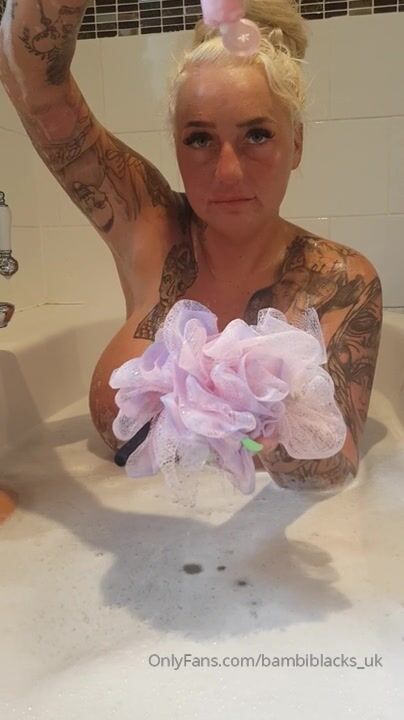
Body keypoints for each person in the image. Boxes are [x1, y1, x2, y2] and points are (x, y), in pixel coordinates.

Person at [0, 0, 382, 494]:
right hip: (113, 532)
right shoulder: (149, 224)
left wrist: (262, 419)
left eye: (257, 135)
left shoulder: (340, 281)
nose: (227, 172)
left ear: (297, 144)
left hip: (268, 538)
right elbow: (35, 85)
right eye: (199, 139)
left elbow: (335, 466)